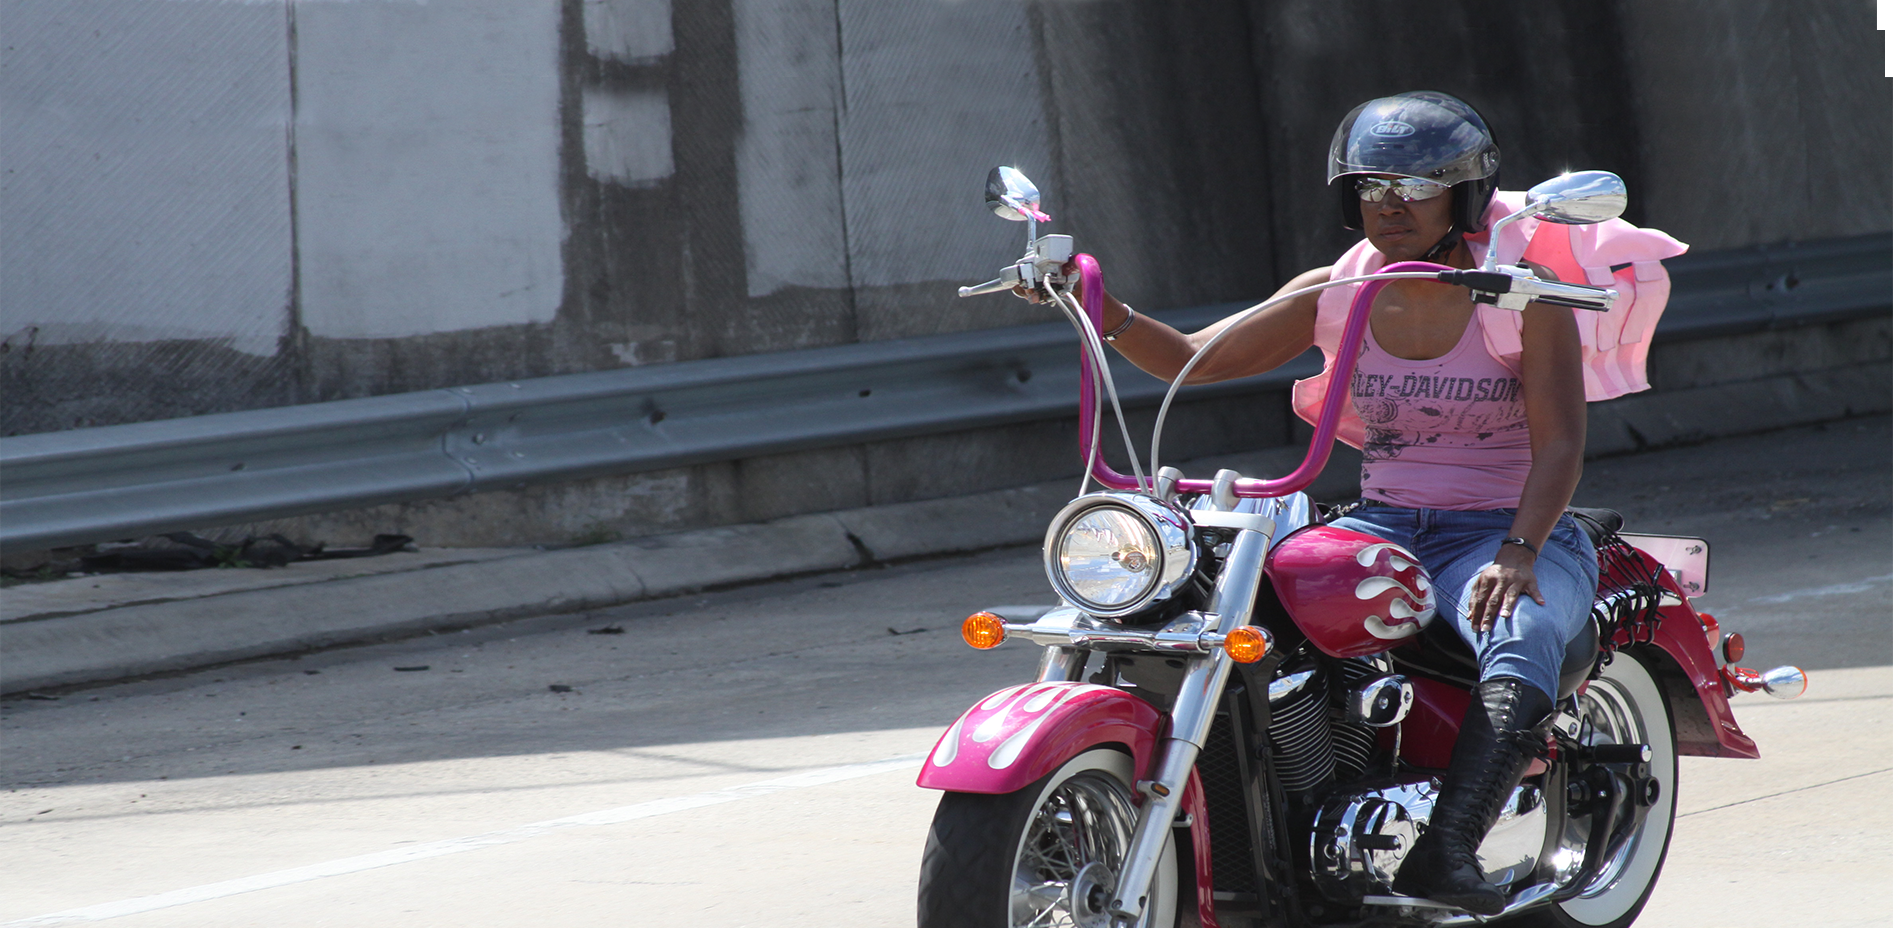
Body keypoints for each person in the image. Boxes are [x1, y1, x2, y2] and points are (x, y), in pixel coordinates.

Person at [1064, 91, 1620, 916]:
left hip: (1502, 531)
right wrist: (1090, 302)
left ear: (1461, 193)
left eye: (1413, 184)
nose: (1388, 204)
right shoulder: (1339, 287)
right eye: (1369, 186)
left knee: (1520, 630)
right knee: (1210, 604)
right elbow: (1190, 359)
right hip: (1381, 524)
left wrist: (1519, 552)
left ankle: (1448, 847)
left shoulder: (1519, 296)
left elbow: (1562, 447)